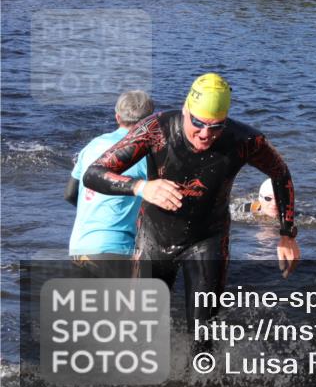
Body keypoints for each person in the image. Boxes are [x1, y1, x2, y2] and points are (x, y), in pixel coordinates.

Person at [83, 73, 301, 337]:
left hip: (207, 240)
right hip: (155, 237)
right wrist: (141, 188)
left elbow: (280, 173)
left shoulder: (244, 140)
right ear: (186, 110)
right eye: (198, 123)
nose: (205, 134)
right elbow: (93, 173)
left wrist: (287, 234)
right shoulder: (156, 129)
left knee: (203, 334)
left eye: (216, 126)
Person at [65, 91, 155, 277]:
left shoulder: (92, 146)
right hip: (118, 249)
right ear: (150, 121)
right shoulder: (147, 153)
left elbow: (70, 194)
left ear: (117, 117)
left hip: (80, 247)